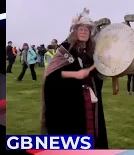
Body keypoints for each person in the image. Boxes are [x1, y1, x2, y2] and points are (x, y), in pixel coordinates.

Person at [41, 16, 109, 149]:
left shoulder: (92, 52)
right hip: (70, 105)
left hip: (90, 103)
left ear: (90, 33)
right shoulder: (65, 49)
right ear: (74, 31)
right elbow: (51, 75)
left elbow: (97, 76)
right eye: (80, 29)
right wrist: (76, 74)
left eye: (86, 29)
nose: (83, 31)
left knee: (92, 136)